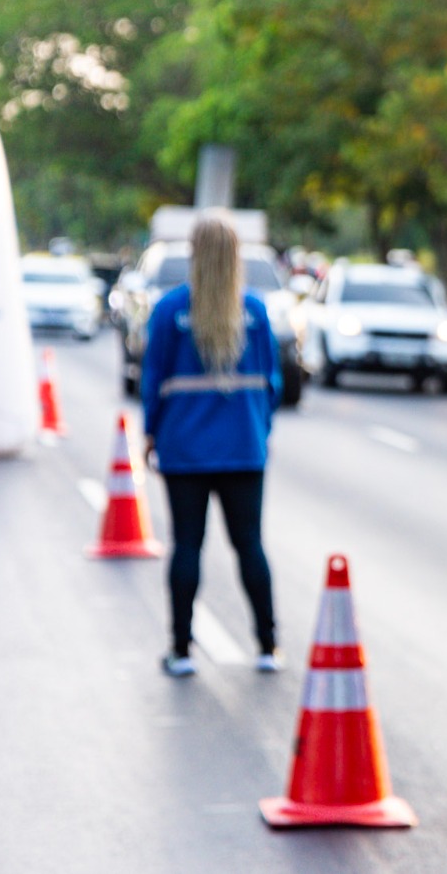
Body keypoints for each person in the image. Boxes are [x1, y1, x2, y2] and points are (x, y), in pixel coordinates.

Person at [142, 213, 283, 677]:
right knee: (249, 545)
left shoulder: (169, 311)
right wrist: (260, 428)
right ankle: (268, 646)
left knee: (187, 545)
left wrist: (149, 432)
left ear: (195, 255)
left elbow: (153, 381)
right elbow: (274, 383)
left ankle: (181, 652)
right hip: (244, 448)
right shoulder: (256, 312)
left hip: (184, 450)